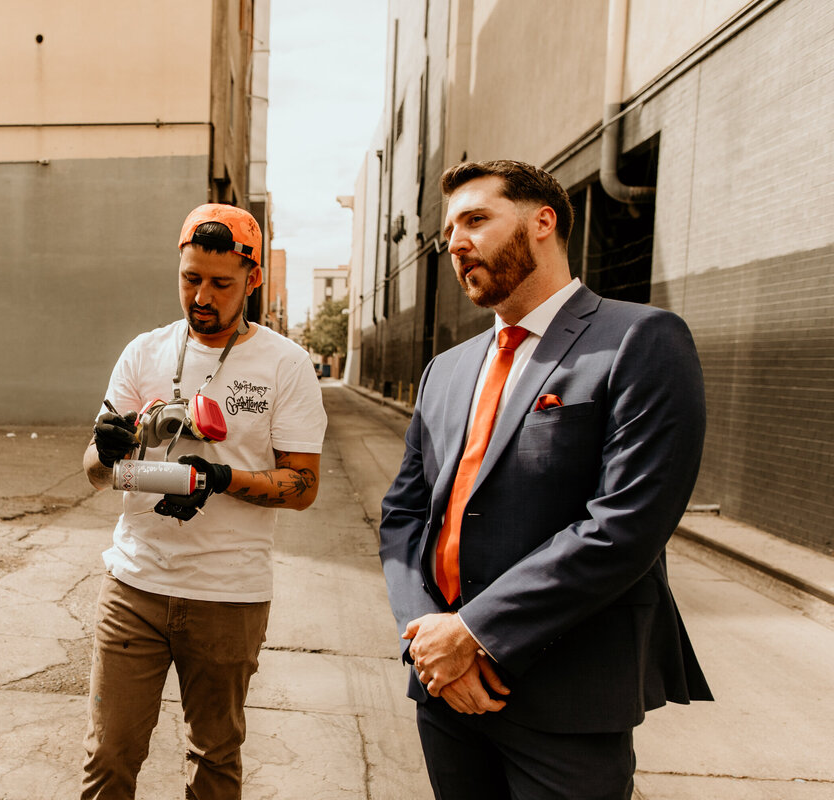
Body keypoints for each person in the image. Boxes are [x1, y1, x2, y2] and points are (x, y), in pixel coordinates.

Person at [378, 160, 712, 799]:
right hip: (444, 689)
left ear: (542, 222)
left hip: (567, 696)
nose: (455, 242)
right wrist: (429, 639)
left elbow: (626, 524)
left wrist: (472, 631)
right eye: (451, 228)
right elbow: (403, 516)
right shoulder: (445, 371)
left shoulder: (640, 340)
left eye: (476, 219)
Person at [80, 203, 327, 799]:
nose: (202, 296)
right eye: (191, 278)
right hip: (134, 586)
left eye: (220, 283)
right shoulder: (144, 352)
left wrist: (221, 479)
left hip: (228, 595)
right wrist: (105, 450)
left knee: (215, 759)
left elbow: (304, 486)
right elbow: (92, 472)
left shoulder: (284, 364)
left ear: (252, 279)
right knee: (108, 756)